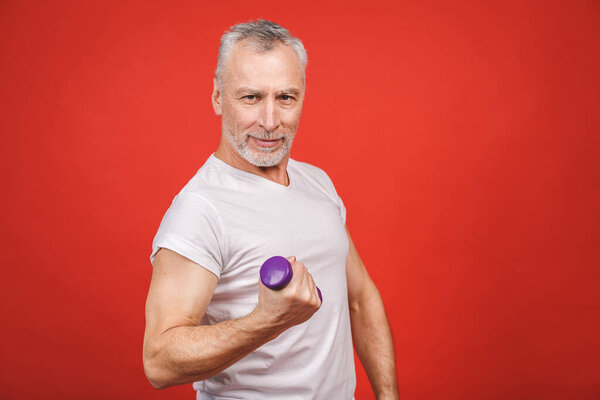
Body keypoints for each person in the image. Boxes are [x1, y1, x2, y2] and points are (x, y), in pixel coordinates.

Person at [143, 20, 399, 400]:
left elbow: (361, 299)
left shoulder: (316, 182)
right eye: (250, 98)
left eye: (285, 98)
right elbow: (159, 362)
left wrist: (388, 396)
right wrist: (266, 321)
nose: (269, 121)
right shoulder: (201, 208)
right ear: (217, 97)